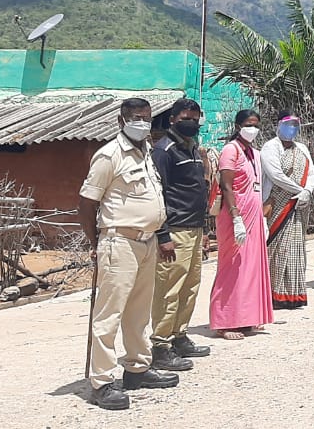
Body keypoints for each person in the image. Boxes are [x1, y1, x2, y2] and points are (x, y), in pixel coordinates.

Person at [78, 98, 179, 410]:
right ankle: (102, 382)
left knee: (138, 311)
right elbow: (86, 203)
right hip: (118, 241)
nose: (142, 123)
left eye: (146, 118)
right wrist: (97, 244)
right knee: (109, 314)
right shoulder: (109, 155)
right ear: (122, 121)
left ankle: (137, 367)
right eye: (136, 118)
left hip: (146, 242)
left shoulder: (147, 151)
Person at [149, 98, 211, 373]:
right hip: (174, 230)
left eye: (195, 119)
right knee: (169, 290)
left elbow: (197, 190)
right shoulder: (165, 150)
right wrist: (162, 235)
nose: (191, 123)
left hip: (194, 228)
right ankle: (161, 346)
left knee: (190, 287)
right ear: (173, 119)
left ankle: (179, 336)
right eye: (186, 118)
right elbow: (157, 193)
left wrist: (205, 230)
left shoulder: (193, 148)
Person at [209, 110, 274, 340]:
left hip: (254, 215)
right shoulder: (231, 150)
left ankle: (246, 317)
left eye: (256, 124)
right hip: (235, 216)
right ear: (238, 126)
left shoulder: (254, 153)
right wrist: (236, 218)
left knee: (251, 266)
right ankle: (224, 321)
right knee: (232, 266)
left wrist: (262, 218)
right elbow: (227, 186)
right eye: (248, 124)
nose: (252, 128)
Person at [260, 110, 314, 309]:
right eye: (288, 123)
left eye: (295, 123)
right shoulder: (270, 147)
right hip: (276, 204)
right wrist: (298, 189)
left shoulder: (301, 148)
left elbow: (311, 172)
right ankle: (274, 293)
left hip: (298, 205)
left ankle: (293, 294)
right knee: (276, 248)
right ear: (278, 125)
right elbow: (275, 175)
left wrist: (307, 191)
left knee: (295, 247)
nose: (292, 128)